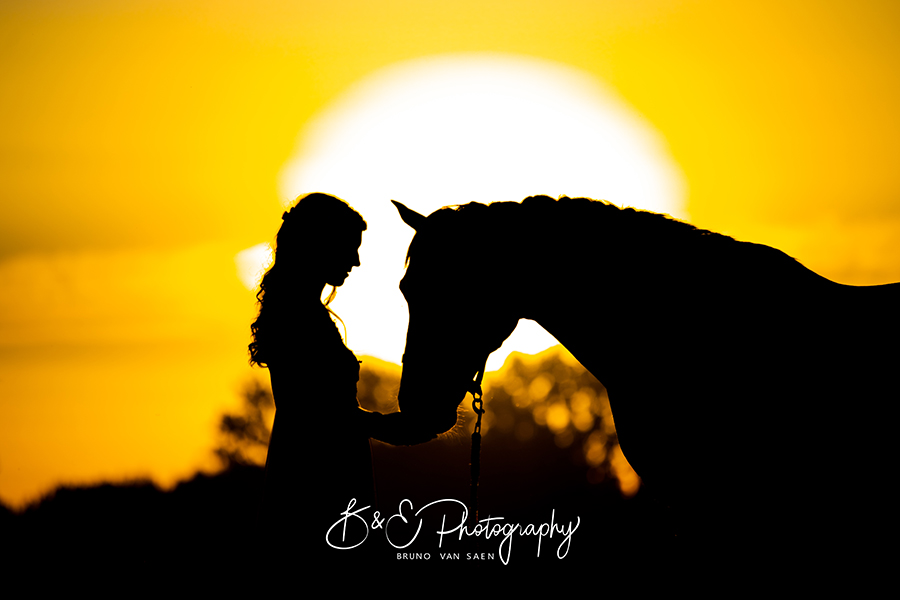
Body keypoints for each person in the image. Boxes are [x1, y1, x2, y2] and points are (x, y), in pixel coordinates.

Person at [249, 192, 383, 556]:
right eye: (349, 247)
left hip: (316, 468)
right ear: (321, 244)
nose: (356, 261)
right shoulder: (300, 319)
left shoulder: (301, 313)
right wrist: (386, 427)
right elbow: (313, 412)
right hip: (315, 478)